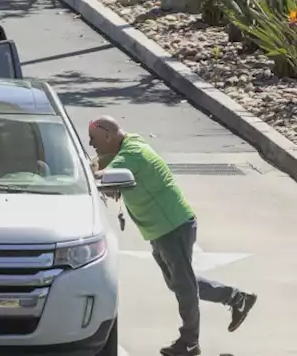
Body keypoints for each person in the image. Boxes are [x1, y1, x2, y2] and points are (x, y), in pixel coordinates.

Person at [88, 116, 257, 356]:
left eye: (93, 139)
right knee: (179, 282)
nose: (90, 144)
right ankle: (236, 298)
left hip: (172, 227)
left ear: (107, 135)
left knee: (184, 287)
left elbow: (99, 177)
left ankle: (189, 342)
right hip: (164, 228)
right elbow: (103, 160)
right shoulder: (130, 142)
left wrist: (82, 171)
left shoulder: (131, 154)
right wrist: (93, 162)